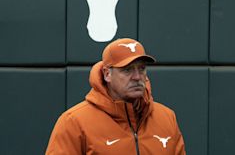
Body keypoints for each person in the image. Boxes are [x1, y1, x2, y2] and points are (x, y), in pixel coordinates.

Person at [46, 38, 186, 155]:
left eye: (141, 68)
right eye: (127, 70)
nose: (137, 77)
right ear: (107, 74)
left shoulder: (167, 118)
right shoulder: (73, 122)